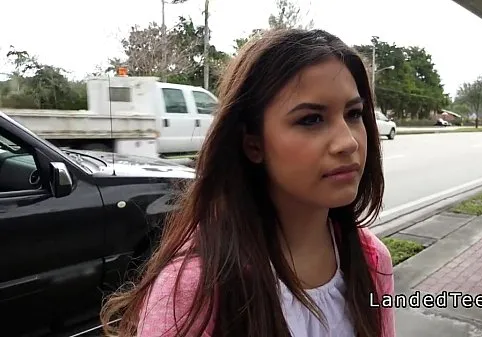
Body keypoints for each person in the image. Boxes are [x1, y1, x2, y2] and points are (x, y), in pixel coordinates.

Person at [100, 28, 395, 337]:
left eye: (354, 113)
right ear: (253, 144)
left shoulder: (372, 259)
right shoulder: (196, 286)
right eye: (311, 119)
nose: (347, 142)